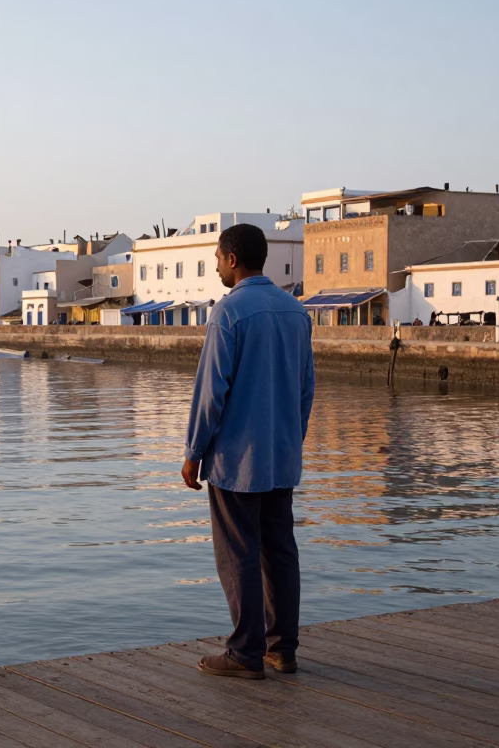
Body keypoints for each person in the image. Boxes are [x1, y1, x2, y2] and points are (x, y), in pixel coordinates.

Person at [183, 223, 315, 680]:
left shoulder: (229, 312)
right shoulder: (296, 312)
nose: (217, 266)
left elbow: (210, 392)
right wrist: (290, 442)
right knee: (280, 550)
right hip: (281, 457)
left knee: (238, 553)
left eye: (217, 258)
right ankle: (283, 648)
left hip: (236, 461)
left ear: (233, 259)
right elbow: (305, 390)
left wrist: (193, 451)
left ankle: (245, 653)